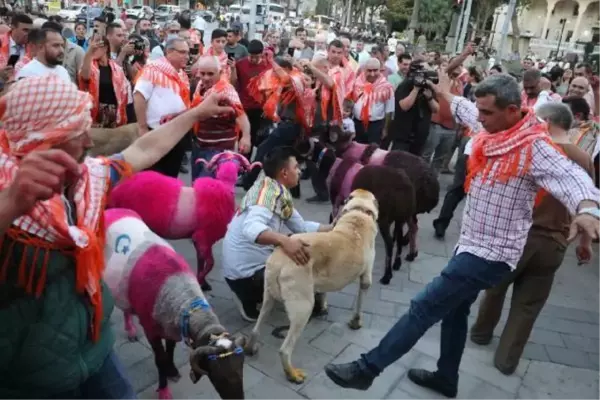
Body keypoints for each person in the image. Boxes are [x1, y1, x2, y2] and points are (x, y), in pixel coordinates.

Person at [324, 74, 600, 398]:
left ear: (513, 111)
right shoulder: (491, 127)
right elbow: (465, 108)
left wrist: (587, 209)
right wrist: (443, 91)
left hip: (491, 255)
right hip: (469, 243)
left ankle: (366, 369)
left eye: (487, 112)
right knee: (455, 312)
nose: (480, 118)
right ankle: (446, 377)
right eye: (480, 111)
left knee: (424, 306)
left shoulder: (535, 148)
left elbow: (572, 178)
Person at [0, 75, 235, 399]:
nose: (88, 140)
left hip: (95, 348)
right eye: (75, 131)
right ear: (43, 141)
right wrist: (12, 203)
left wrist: (196, 113)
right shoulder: (7, 193)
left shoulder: (88, 179)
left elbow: (144, 148)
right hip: (32, 376)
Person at [470, 102, 595, 375]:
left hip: (517, 237)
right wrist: (585, 244)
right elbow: (587, 203)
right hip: (554, 242)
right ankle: (506, 360)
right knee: (528, 305)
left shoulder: (530, 149)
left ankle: (481, 333)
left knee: (495, 288)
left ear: (547, 123)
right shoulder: (582, 159)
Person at [222, 146, 331, 321]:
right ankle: (249, 299)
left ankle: (260, 295)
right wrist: (284, 241)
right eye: (296, 167)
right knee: (300, 256)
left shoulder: (275, 189)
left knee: (301, 245)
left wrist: (333, 227)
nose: (300, 171)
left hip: (243, 271)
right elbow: (251, 229)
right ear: (284, 173)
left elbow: (301, 227)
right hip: (244, 278)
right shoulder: (266, 197)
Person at [134, 37, 191, 177]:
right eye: (182, 52)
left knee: (171, 178)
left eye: (187, 52)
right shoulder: (153, 69)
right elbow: (139, 96)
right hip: (157, 132)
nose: (187, 56)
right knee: (154, 178)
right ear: (169, 52)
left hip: (177, 134)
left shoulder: (182, 74)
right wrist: (142, 127)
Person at [190, 56, 251, 179]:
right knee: (196, 187)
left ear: (220, 72)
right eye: (203, 73)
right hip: (199, 146)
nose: (206, 78)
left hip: (218, 150)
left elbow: (241, 114)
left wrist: (246, 137)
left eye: (210, 74)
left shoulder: (227, 91)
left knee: (206, 189)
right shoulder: (201, 85)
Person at [388, 60, 439, 155]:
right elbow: (404, 106)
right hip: (403, 137)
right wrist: (415, 89)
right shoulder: (405, 85)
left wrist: (430, 98)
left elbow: (436, 109)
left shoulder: (428, 87)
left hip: (419, 138)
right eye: (425, 71)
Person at [79, 35, 130, 128]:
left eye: (96, 45)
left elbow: (124, 93)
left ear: (105, 48)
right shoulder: (91, 67)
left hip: (115, 114)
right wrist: (89, 52)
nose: (93, 48)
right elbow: (85, 76)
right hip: (95, 114)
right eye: (90, 45)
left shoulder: (117, 69)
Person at [232, 39, 270, 158]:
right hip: (243, 106)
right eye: (251, 56)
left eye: (256, 57)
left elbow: (270, 89)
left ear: (262, 54)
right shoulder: (240, 64)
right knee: (240, 135)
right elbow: (233, 83)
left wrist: (267, 107)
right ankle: (238, 159)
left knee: (252, 137)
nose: (253, 59)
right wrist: (233, 69)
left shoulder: (267, 66)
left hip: (258, 108)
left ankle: (246, 163)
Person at [350, 58, 394, 145]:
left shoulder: (387, 87)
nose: (372, 74)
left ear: (380, 70)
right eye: (369, 71)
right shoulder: (356, 83)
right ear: (364, 69)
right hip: (357, 124)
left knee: (372, 153)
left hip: (375, 126)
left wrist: (385, 129)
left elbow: (389, 111)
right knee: (356, 150)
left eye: (375, 70)